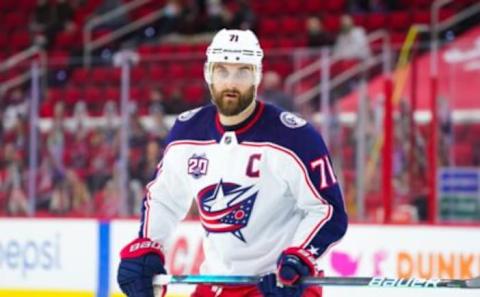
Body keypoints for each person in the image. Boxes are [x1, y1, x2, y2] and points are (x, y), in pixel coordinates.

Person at [117, 29, 348, 297]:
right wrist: (148, 245)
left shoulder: (295, 138)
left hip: (281, 286)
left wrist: (299, 258)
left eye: (242, 72)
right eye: (222, 71)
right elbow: (164, 199)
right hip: (215, 283)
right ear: (208, 74)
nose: (231, 82)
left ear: (257, 75)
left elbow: (327, 210)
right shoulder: (187, 132)